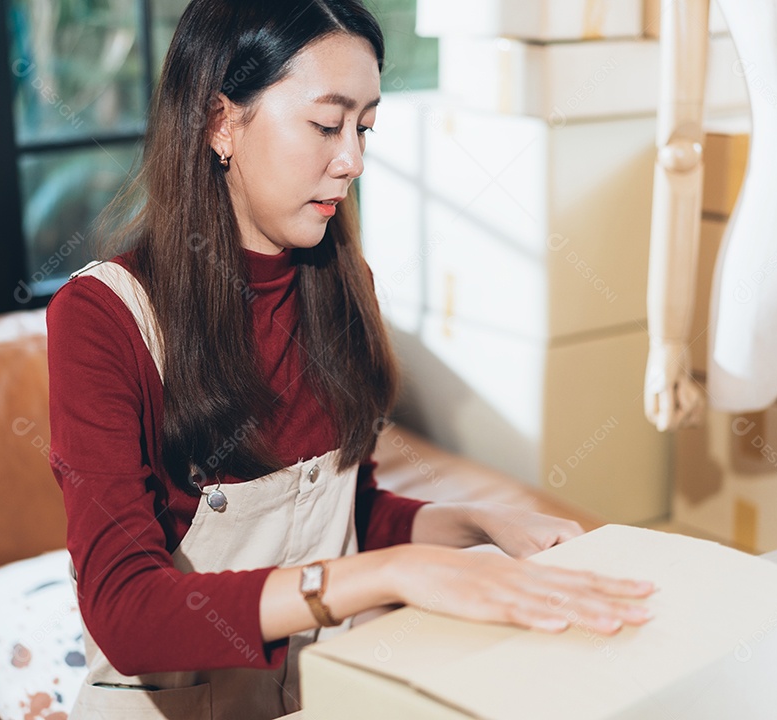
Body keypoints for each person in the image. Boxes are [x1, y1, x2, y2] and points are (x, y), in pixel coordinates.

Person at [46, 1, 655, 718]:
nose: (354, 161)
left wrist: (477, 524)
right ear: (220, 123)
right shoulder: (103, 319)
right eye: (327, 125)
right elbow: (126, 611)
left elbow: (343, 512)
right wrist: (394, 573)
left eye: (364, 127)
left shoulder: (341, 287)